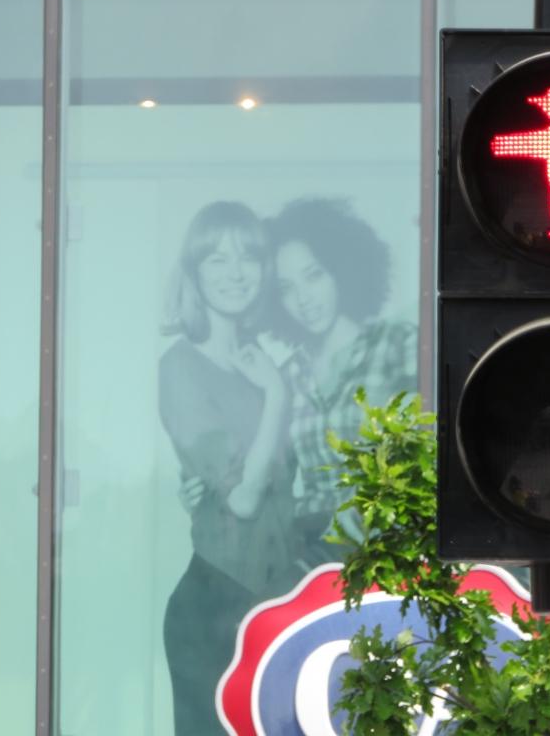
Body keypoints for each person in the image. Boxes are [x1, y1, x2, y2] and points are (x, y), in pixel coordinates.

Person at [158, 201, 299, 736]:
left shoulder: (258, 363)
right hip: (216, 604)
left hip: (275, 600)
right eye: (217, 259)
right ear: (194, 274)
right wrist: (277, 398)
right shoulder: (181, 366)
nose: (236, 273)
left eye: (248, 258)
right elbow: (243, 499)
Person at [266, 197, 417, 570]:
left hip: (387, 544)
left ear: (342, 271)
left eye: (314, 275)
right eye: (286, 288)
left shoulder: (396, 344)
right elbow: (274, 486)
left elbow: (425, 452)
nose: (303, 299)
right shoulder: (288, 375)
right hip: (310, 552)